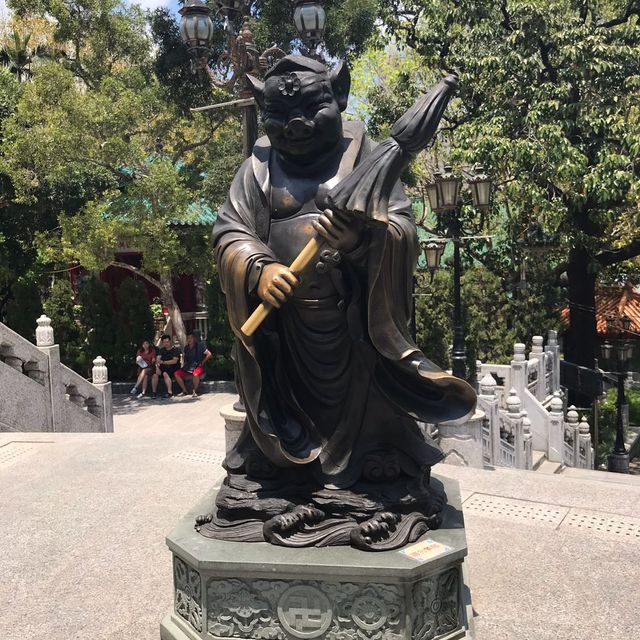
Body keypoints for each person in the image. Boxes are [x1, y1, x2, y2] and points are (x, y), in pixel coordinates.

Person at [174, 331, 212, 397]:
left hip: (198, 366)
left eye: (191, 338)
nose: (189, 339)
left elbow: (209, 354)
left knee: (195, 374)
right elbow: (185, 359)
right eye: (188, 338)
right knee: (176, 373)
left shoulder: (200, 346)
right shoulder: (186, 348)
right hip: (189, 367)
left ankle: (195, 391)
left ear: (194, 338)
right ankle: (184, 390)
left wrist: (202, 363)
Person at [152, 334, 181, 399]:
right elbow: (158, 359)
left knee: (165, 373)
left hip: (173, 368)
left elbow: (174, 361)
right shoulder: (161, 350)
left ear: (170, 341)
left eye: (167, 341)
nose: (166, 343)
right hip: (163, 368)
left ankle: (170, 393)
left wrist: (163, 362)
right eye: (164, 342)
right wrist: (157, 367)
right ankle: (154, 393)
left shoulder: (175, 350)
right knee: (155, 375)